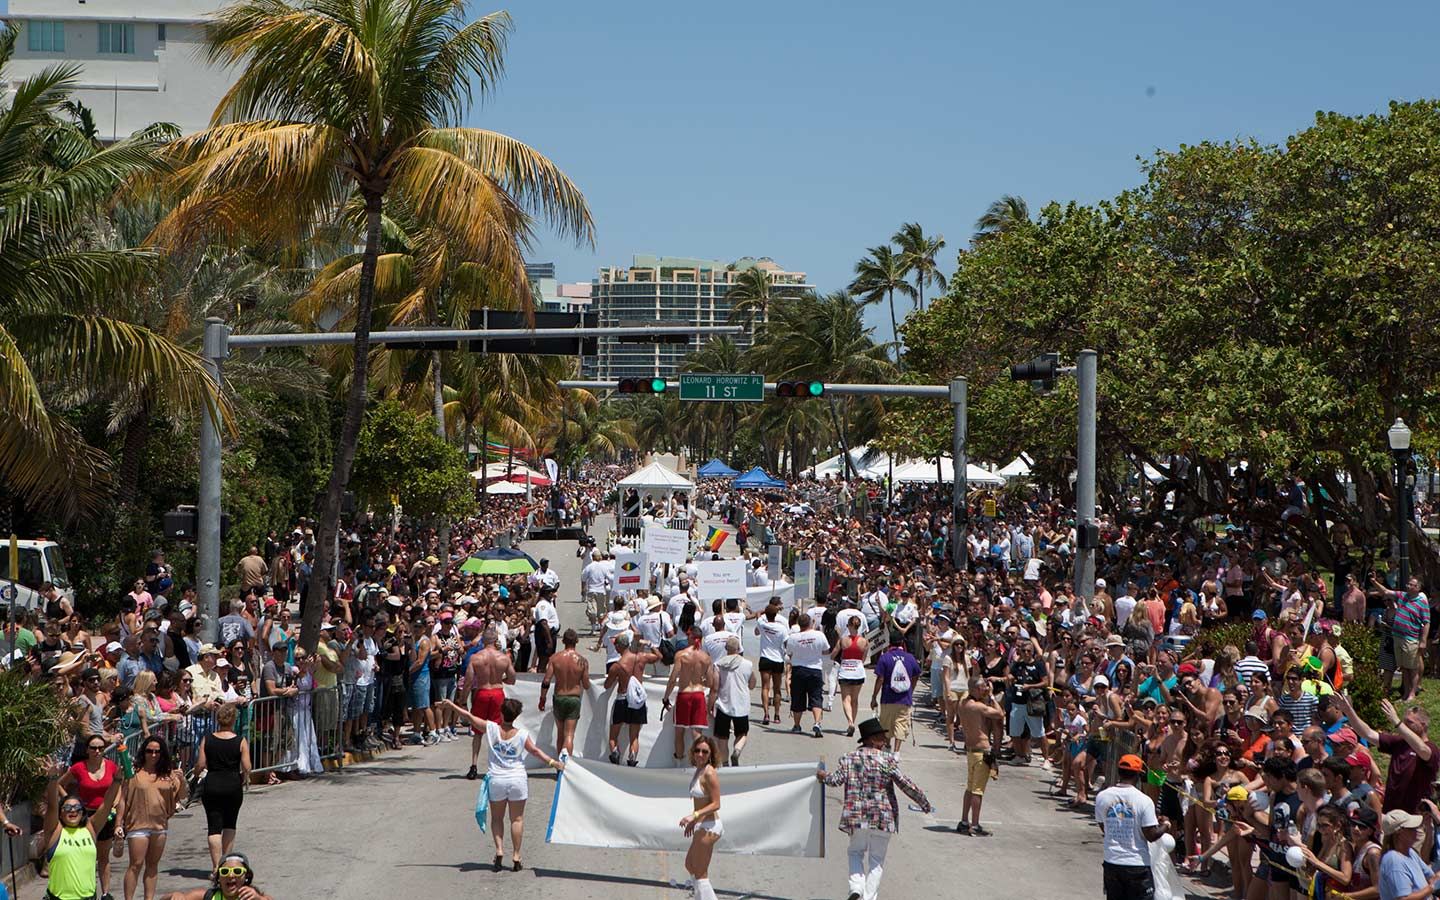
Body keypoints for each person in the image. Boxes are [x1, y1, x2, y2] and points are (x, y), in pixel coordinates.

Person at [440, 697, 563, 872]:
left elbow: (468, 716)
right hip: (517, 780)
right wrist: (553, 763)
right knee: (517, 819)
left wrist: (451, 705)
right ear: (517, 716)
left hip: (497, 779)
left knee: (497, 818)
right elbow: (535, 751)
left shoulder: (491, 729)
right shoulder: (522, 735)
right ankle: (516, 854)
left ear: (501, 712)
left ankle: (499, 850)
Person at [818, 717, 932, 900]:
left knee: (855, 852)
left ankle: (856, 888)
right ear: (871, 739)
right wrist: (923, 802)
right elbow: (905, 784)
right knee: (876, 860)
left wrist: (823, 776)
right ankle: (869, 897)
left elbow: (835, 780)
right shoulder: (887, 760)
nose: (885, 741)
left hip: (856, 816)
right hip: (882, 817)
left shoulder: (849, 758)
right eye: (881, 737)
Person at [1336, 694, 1439, 814]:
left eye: (1409, 722)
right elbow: (1368, 734)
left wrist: (1396, 722)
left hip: (1416, 815)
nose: (1404, 725)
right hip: (1391, 812)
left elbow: (1423, 750)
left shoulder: (1432, 749)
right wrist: (1349, 711)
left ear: (1423, 725)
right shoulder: (1400, 742)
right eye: (1403, 721)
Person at [1095, 753, 1171, 900]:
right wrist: (1166, 825)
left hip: (1112, 862)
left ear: (1118, 772)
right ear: (1139, 774)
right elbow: (1151, 835)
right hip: (1137, 865)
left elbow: (1104, 827)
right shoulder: (1144, 800)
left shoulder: (1102, 796)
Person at [59, 733, 124, 900]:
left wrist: (116, 810)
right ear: (87, 750)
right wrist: (70, 802)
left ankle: (105, 893)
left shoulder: (111, 766)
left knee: (103, 856)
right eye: (93, 748)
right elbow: (59, 784)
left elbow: (119, 787)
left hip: (106, 814)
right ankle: (85, 890)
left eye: (100, 748)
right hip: (85, 815)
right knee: (85, 854)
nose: (97, 751)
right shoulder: (78, 768)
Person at [123, 734, 188, 900]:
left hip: (159, 825)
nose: (153, 754)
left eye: (157, 751)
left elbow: (182, 796)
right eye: (149, 751)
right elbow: (122, 798)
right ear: (143, 752)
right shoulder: (134, 772)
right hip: (137, 824)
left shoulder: (169, 774)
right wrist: (118, 823)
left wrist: (182, 779)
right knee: (135, 864)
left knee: (152, 866)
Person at [41, 773, 122, 900]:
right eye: (67, 807)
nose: (72, 810)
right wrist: (52, 778)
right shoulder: (54, 831)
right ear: (60, 813)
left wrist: (117, 779)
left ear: (82, 812)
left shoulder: (90, 828)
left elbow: (106, 804)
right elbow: (52, 805)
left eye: (77, 807)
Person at [195, 703, 251, 869]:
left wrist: (197, 774)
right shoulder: (240, 741)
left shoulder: (208, 739)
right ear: (233, 720)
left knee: (214, 827)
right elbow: (247, 766)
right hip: (233, 784)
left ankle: (215, 867)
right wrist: (245, 776)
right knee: (230, 824)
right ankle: (226, 862)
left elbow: (201, 764)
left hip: (212, 783)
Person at [462, 627, 516, 780]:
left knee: (478, 731)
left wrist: (462, 701)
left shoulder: (476, 658)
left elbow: (468, 682)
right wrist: (500, 680)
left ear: (483, 640)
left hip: (482, 692)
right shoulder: (504, 658)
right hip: (498, 693)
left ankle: (474, 765)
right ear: (496, 639)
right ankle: (499, 765)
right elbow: (512, 679)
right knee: (499, 730)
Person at [957, 676, 1005, 836]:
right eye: (982, 688)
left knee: (970, 787)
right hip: (982, 750)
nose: (985, 689)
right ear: (976, 689)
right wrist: (991, 696)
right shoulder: (977, 707)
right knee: (978, 790)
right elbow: (1000, 714)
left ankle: (964, 821)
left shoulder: (962, 704)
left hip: (971, 750)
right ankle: (975, 824)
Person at [605, 632, 661, 766]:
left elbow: (607, 685)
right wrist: (649, 644)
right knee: (634, 737)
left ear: (619, 646)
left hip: (622, 699)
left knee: (613, 736)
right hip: (637, 701)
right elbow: (659, 656)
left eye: (615, 645)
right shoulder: (640, 657)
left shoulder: (617, 666)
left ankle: (615, 753)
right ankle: (632, 757)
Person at [664, 626, 717, 763]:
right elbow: (710, 682)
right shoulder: (706, 658)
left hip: (684, 695)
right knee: (697, 733)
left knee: (679, 732)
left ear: (693, 637)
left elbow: (673, 678)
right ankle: (699, 763)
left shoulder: (681, 655)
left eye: (688, 635)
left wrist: (666, 697)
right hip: (698, 695)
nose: (686, 637)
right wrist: (700, 679)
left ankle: (679, 762)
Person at [681, 735, 723, 900]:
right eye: (697, 751)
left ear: (710, 754)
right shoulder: (699, 770)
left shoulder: (709, 773)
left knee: (700, 872)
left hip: (710, 827)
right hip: (701, 824)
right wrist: (694, 821)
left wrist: (694, 815)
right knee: (690, 865)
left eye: (705, 752)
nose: (700, 754)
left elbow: (716, 803)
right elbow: (700, 801)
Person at [538, 629, 589, 757]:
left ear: (563, 641)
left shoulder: (555, 659)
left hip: (559, 697)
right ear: (577, 641)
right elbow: (587, 685)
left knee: (560, 733)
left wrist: (542, 698)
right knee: (569, 735)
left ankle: (559, 766)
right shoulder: (582, 661)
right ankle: (567, 766)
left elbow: (546, 680)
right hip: (574, 698)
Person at [1376, 808, 1440, 900]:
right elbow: (1404, 898)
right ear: (1399, 832)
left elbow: (1431, 878)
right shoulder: (1394, 860)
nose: (1417, 829)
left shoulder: (1410, 852)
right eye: (1412, 828)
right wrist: (1431, 887)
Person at [870, 640, 920, 753]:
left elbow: (880, 679)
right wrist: (911, 690)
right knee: (901, 724)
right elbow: (916, 675)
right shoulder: (910, 658)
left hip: (887, 697)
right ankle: (897, 752)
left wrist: (874, 697)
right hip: (904, 699)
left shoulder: (885, 658)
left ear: (889, 643)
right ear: (902, 643)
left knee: (886, 724)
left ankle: (887, 747)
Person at [712, 636, 755, 767]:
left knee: (722, 737)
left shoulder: (719, 664)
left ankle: (725, 763)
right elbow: (752, 684)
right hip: (741, 704)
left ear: (726, 649)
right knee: (742, 734)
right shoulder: (747, 664)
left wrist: (711, 704)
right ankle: (737, 751)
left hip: (724, 704)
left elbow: (715, 686)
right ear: (738, 649)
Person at [785, 612, 829, 738]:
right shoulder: (819, 635)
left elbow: (789, 654)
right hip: (815, 670)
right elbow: (826, 650)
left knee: (798, 698)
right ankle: (817, 722)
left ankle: (797, 725)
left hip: (799, 670)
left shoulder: (793, 637)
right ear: (811, 623)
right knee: (816, 697)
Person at [161, 851, 273, 900]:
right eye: (225, 872)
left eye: (237, 871)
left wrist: (259, 898)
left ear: (246, 875)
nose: (231, 875)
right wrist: (175, 895)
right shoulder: (208, 896)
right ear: (218, 877)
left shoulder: (251, 896)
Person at [831, 614, 869, 737]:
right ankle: (853, 721)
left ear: (848, 626)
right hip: (858, 670)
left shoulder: (843, 640)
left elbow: (833, 654)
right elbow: (863, 658)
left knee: (846, 699)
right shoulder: (864, 641)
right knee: (855, 699)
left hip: (845, 670)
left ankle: (850, 722)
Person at [755, 601, 789, 726]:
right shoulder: (782, 628)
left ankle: (766, 714)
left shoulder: (762, 625)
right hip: (778, 659)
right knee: (777, 689)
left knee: (765, 687)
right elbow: (786, 644)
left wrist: (765, 610)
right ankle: (777, 714)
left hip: (765, 658)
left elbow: (758, 614)